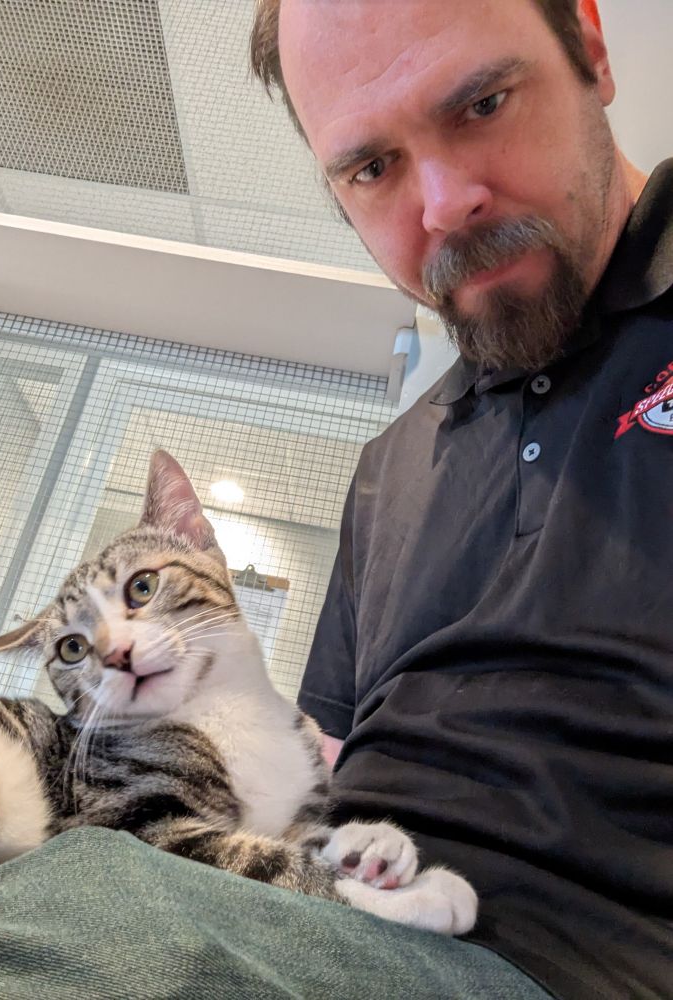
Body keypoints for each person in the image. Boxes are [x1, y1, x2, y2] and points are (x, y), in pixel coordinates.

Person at [250, 0, 673, 997]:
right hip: (307, 926)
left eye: (483, 103)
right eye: (372, 169)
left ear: (591, 48)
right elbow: (332, 765)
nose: (443, 204)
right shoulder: (386, 471)